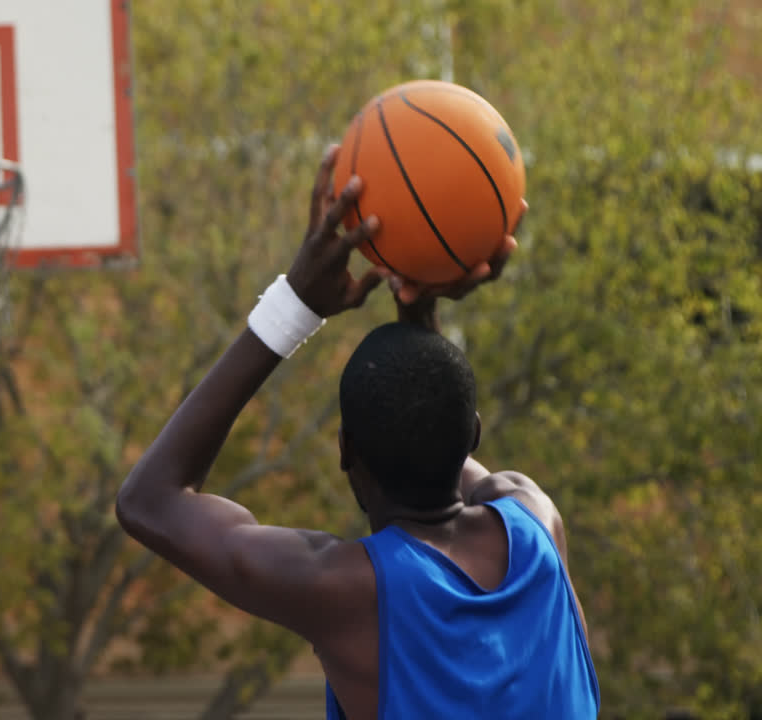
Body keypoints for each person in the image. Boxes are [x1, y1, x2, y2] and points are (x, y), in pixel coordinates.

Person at [115, 144, 599, 719]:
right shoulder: (537, 525)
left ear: (345, 453)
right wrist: (421, 291)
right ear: (473, 434)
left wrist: (295, 305)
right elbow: (431, 423)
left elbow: (149, 501)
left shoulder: (347, 592)